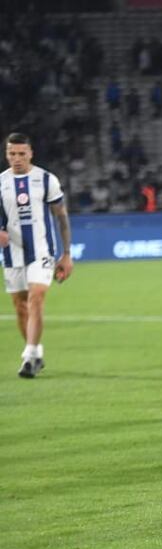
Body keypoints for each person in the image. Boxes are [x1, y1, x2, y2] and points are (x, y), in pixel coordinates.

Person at [1, 133, 74, 378]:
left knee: (36, 297)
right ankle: (36, 352)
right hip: (12, 253)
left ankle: (28, 357)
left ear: (31, 153)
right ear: (6, 154)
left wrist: (66, 254)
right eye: (12, 153)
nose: (17, 158)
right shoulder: (1, 182)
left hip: (42, 250)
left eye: (22, 153)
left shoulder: (46, 180)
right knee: (20, 306)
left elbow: (61, 217)